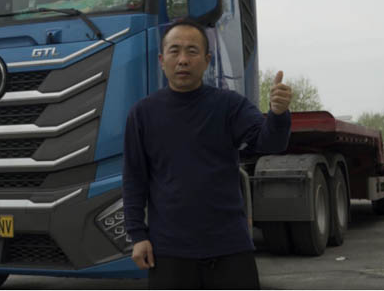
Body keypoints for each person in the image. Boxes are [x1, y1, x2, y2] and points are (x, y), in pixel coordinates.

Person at [122, 18, 293, 290]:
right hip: (169, 252)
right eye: (174, 51)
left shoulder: (229, 106)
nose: (183, 60)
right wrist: (137, 235)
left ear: (207, 60)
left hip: (229, 248)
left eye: (192, 51)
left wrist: (278, 115)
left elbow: (270, 143)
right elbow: (134, 179)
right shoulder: (142, 114)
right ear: (161, 60)